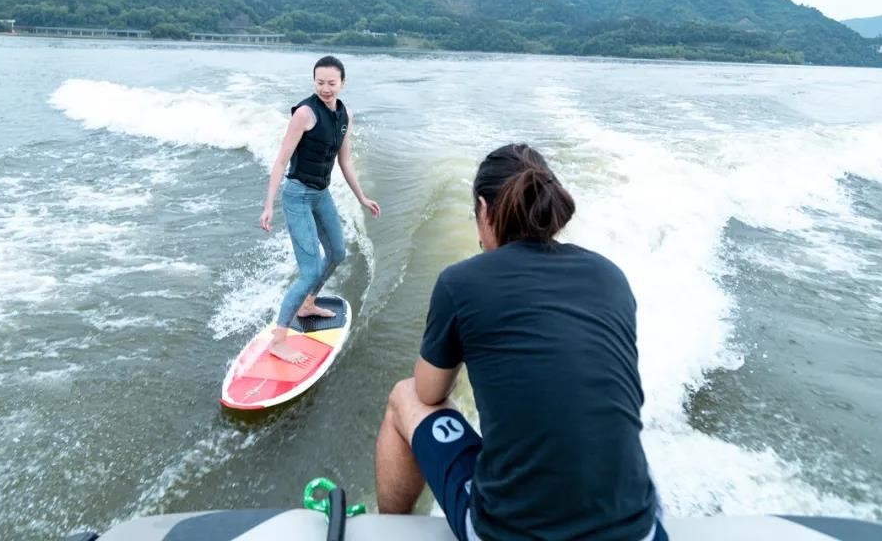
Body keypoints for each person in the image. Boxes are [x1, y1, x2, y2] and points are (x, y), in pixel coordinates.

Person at [374, 143, 666, 541]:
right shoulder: (610, 275)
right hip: (639, 529)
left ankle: (387, 532)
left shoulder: (461, 282)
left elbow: (428, 392)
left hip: (510, 532)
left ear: (483, 210)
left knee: (403, 398)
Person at [259, 56, 380, 364]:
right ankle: (279, 339)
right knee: (311, 268)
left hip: (321, 194)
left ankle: (308, 302)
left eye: (331, 83)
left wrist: (362, 197)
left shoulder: (345, 116)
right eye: (320, 82)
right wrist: (269, 205)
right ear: (314, 82)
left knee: (337, 253)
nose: (326, 88)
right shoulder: (304, 113)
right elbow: (281, 160)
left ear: (342, 83)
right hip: (297, 195)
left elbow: (345, 162)